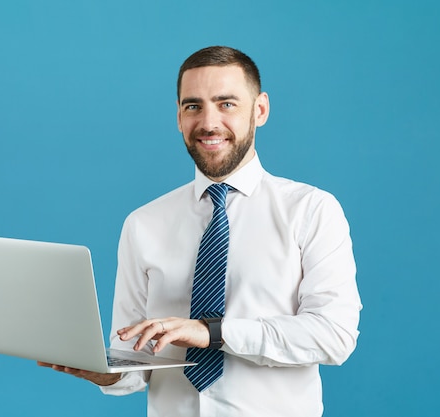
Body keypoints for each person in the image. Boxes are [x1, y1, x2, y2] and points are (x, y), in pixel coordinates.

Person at [39, 45, 362, 416]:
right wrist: (108, 373)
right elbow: (134, 360)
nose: (208, 122)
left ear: (260, 110)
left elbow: (334, 336)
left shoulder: (311, 210)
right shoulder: (143, 223)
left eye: (226, 104)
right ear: (178, 116)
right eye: (193, 106)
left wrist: (213, 332)